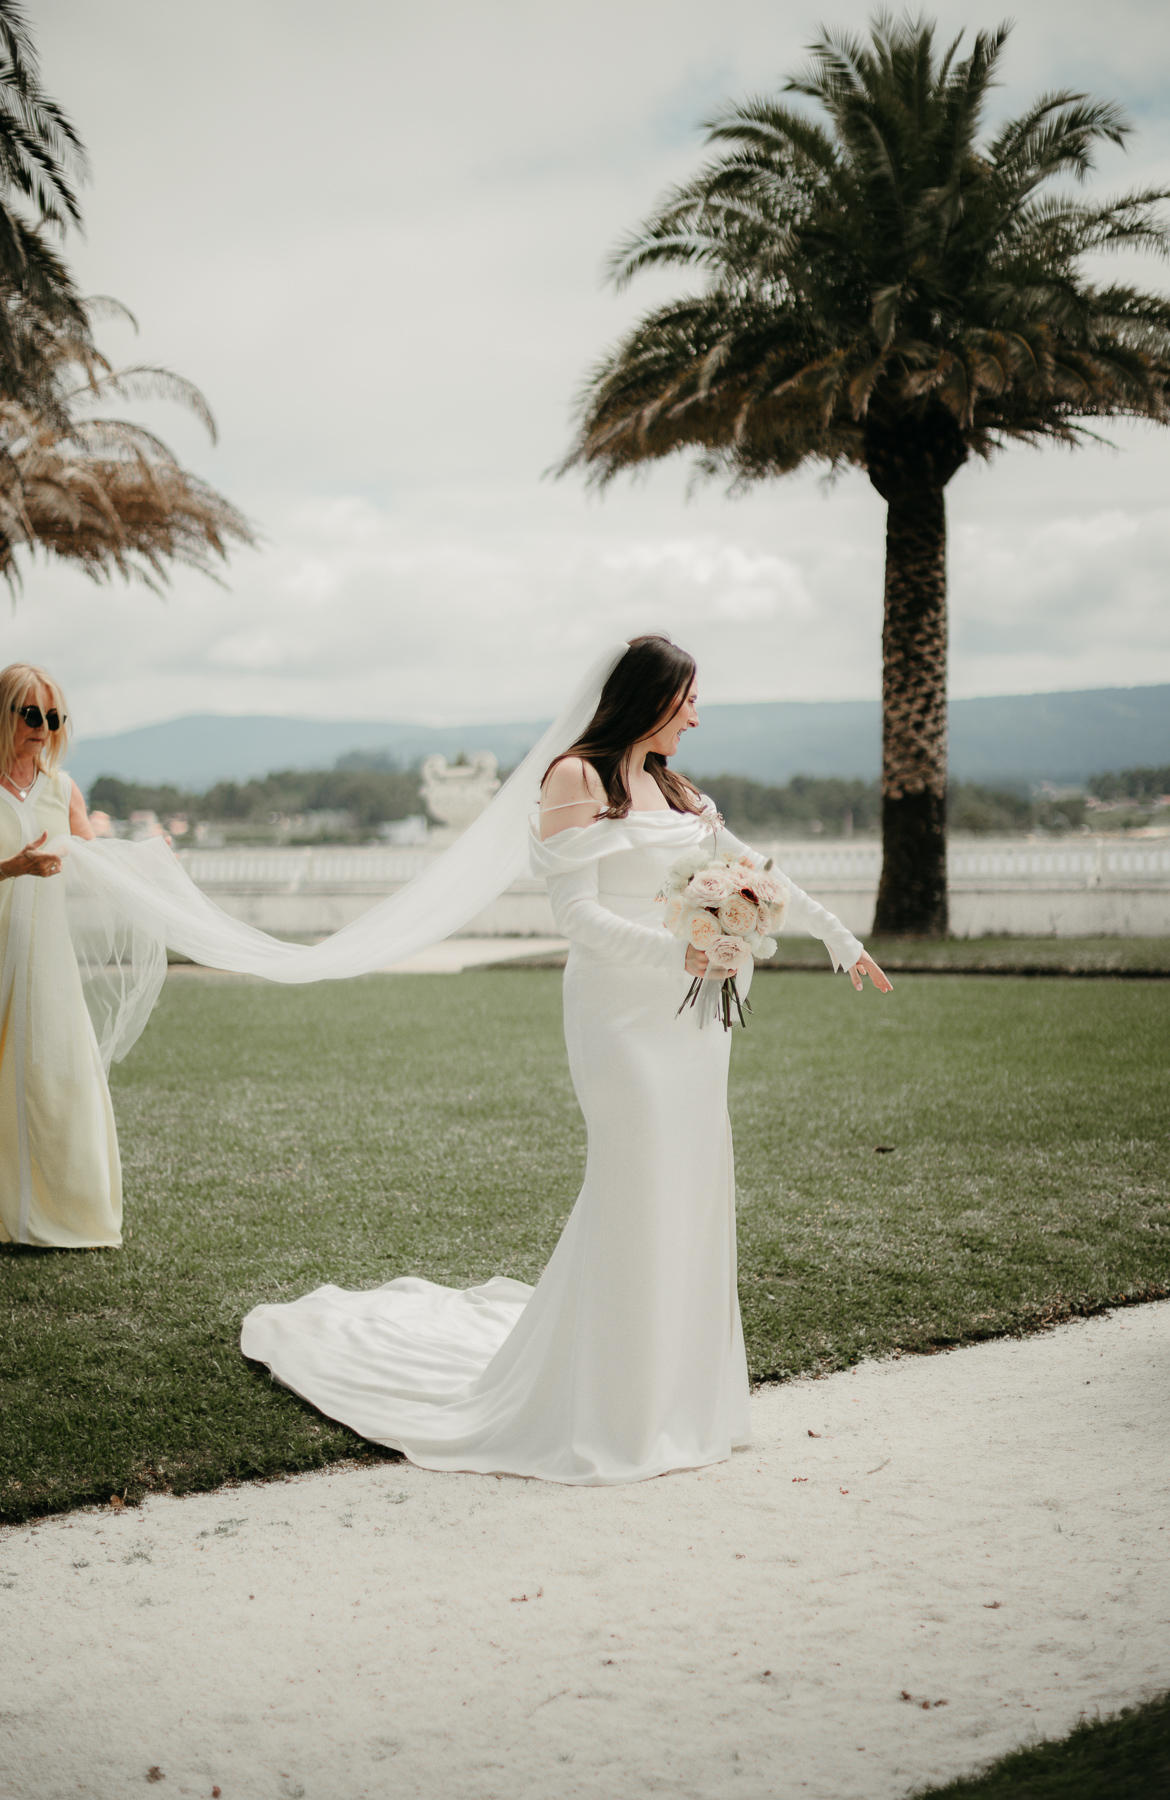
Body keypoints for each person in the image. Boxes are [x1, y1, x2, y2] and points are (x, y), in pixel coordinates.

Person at [240, 637, 891, 1484]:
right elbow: (575, 916)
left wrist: (839, 940)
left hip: (695, 1021)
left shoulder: (677, 785)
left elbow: (756, 873)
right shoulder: (576, 778)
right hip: (622, 1013)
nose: (698, 715)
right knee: (636, 1179)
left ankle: (679, 1398)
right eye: (689, 698)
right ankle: (608, 1404)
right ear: (650, 697)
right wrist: (681, 953)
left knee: (690, 1184)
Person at [0, 661, 119, 1248]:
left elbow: (98, 861)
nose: (43, 727)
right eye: (31, 714)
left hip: (43, 957)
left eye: (53, 717)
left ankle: (58, 1214)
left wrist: (149, 863)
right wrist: (14, 867)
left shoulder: (61, 786)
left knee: (51, 1079)